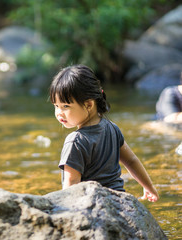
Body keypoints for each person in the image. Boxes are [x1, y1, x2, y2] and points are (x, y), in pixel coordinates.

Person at [49, 64, 159, 202]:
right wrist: (149, 187)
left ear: (89, 104)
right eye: (56, 106)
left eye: (66, 106)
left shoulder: (76, 141)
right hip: (118, 202)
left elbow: (71, 186)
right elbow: (131, 161)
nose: (59, 113)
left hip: (92, 206)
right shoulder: (112, 128)